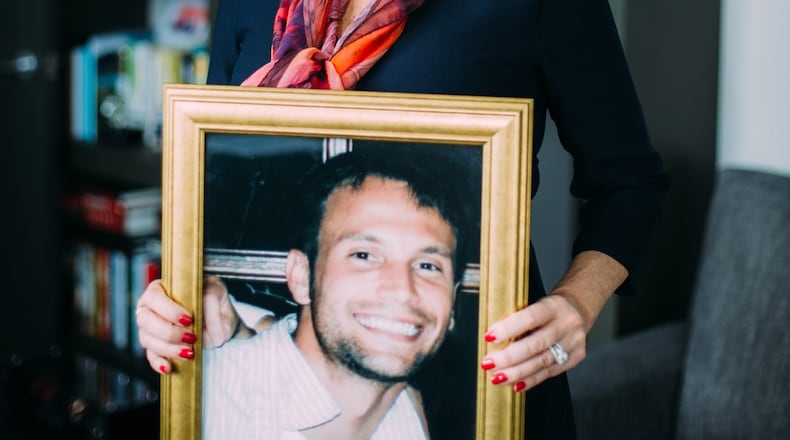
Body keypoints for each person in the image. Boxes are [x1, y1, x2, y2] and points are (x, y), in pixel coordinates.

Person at [137, 0, 670, 438]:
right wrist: (174, 302)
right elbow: (209, 179)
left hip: (487, 385)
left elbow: (629, 183)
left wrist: (577, 302)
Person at [139, 150, 475, 439]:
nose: (402, 290)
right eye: (363, 256)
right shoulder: (204, 400)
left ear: (453, 303)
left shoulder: (425, 419)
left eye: (428, 266)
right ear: (300, 277)